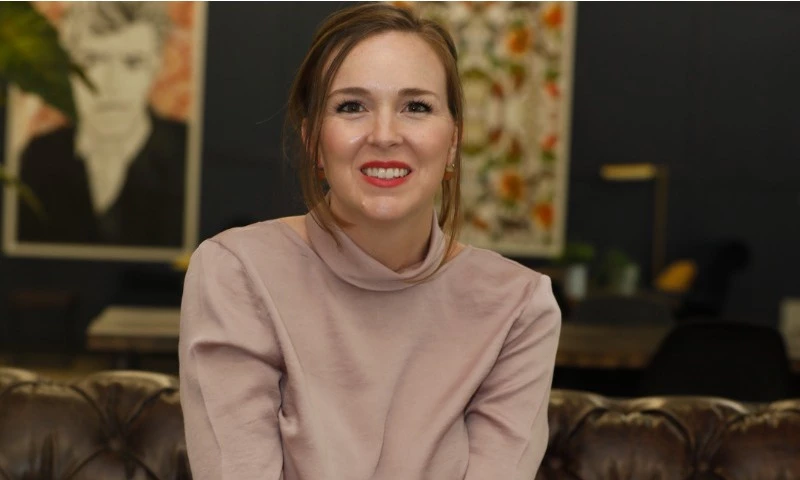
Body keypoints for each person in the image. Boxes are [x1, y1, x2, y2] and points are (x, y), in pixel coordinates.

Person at [179, 3, 561, 479]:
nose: (384, 135)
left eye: (416, 107)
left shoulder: (519, 308)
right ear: (314, 141)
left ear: (453, 142)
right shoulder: (236, 272)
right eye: (351, 106)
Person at [16, 1, 186, 247]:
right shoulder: (38, 156)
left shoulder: (186, 152)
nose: (111, 84)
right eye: (92, 60)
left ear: (157, 66)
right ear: (68, 66)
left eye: (132, 62)